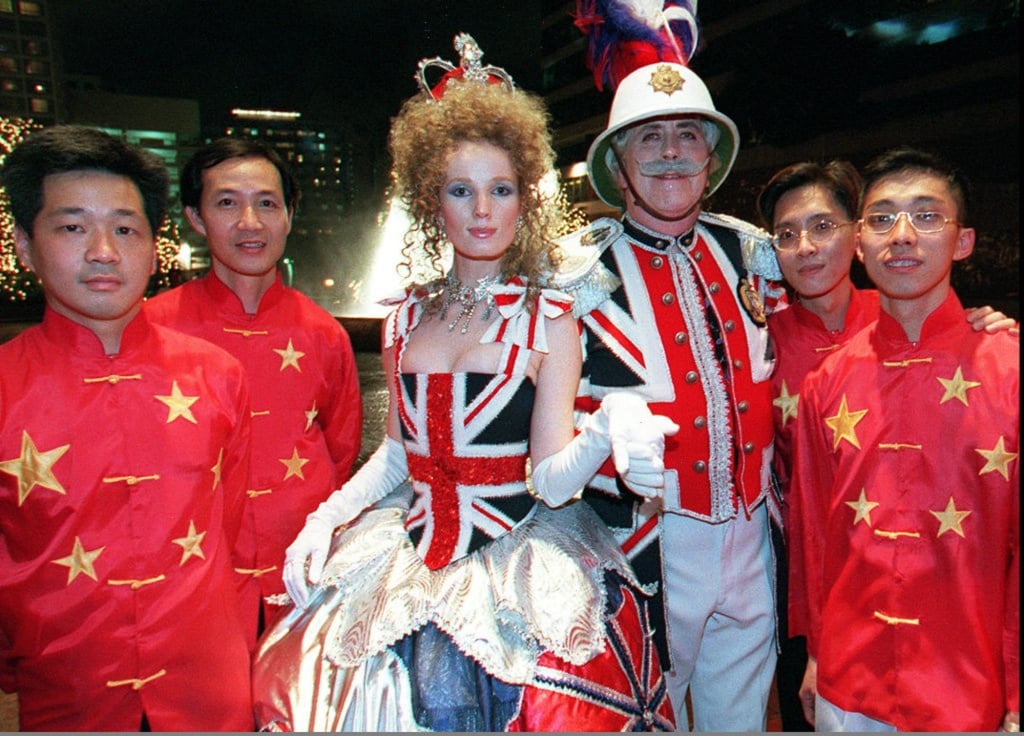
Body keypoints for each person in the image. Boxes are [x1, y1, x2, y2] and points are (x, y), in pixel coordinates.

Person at [252, 33, 678, 732]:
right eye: (461, 190)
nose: (483, 210)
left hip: (515, 570)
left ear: (524, 199)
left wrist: (604, 430)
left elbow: (554, 480)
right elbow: (396, 457)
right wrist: (325, 518)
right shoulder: (405, 317)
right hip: (402, 559)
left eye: (501, 189)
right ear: (431, 202)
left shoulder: (551, 317)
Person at [566, 3, 785, 730]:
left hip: (753, 532)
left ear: (711, 159)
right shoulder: (576, 274)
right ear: (618, 167)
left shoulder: (754, 251)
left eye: (687, 135)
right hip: (645, 545)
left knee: (741, 721)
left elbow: (827, 331)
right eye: (648, 139)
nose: (670, 152)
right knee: (645, 718)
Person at [0, 125, 254, 730]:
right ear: (24, 245)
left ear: (152, 242)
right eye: (71, 227)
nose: (103, 252)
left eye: (124, 228)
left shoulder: (217, 375)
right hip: (68, 694)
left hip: (210, 694)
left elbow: (233, 533)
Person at [755, 159, 1017, 731]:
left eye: (926, 217)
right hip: (849, 685)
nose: (902, 235)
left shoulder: (1010, 367)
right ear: (861, 245)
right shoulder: (826, 381)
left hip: (970, 687)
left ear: (963, 240)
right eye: (883, 219)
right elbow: (816, 540)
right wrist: (818, 657)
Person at [146, 138, 362, 646]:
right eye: (226, 203)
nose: (250, 221)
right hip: (192, 588)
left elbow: (341, 454)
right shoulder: (151, 330)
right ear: (194, 218)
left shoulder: (324, 333)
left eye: (267, 203)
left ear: (289, 216)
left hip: (303, 582)